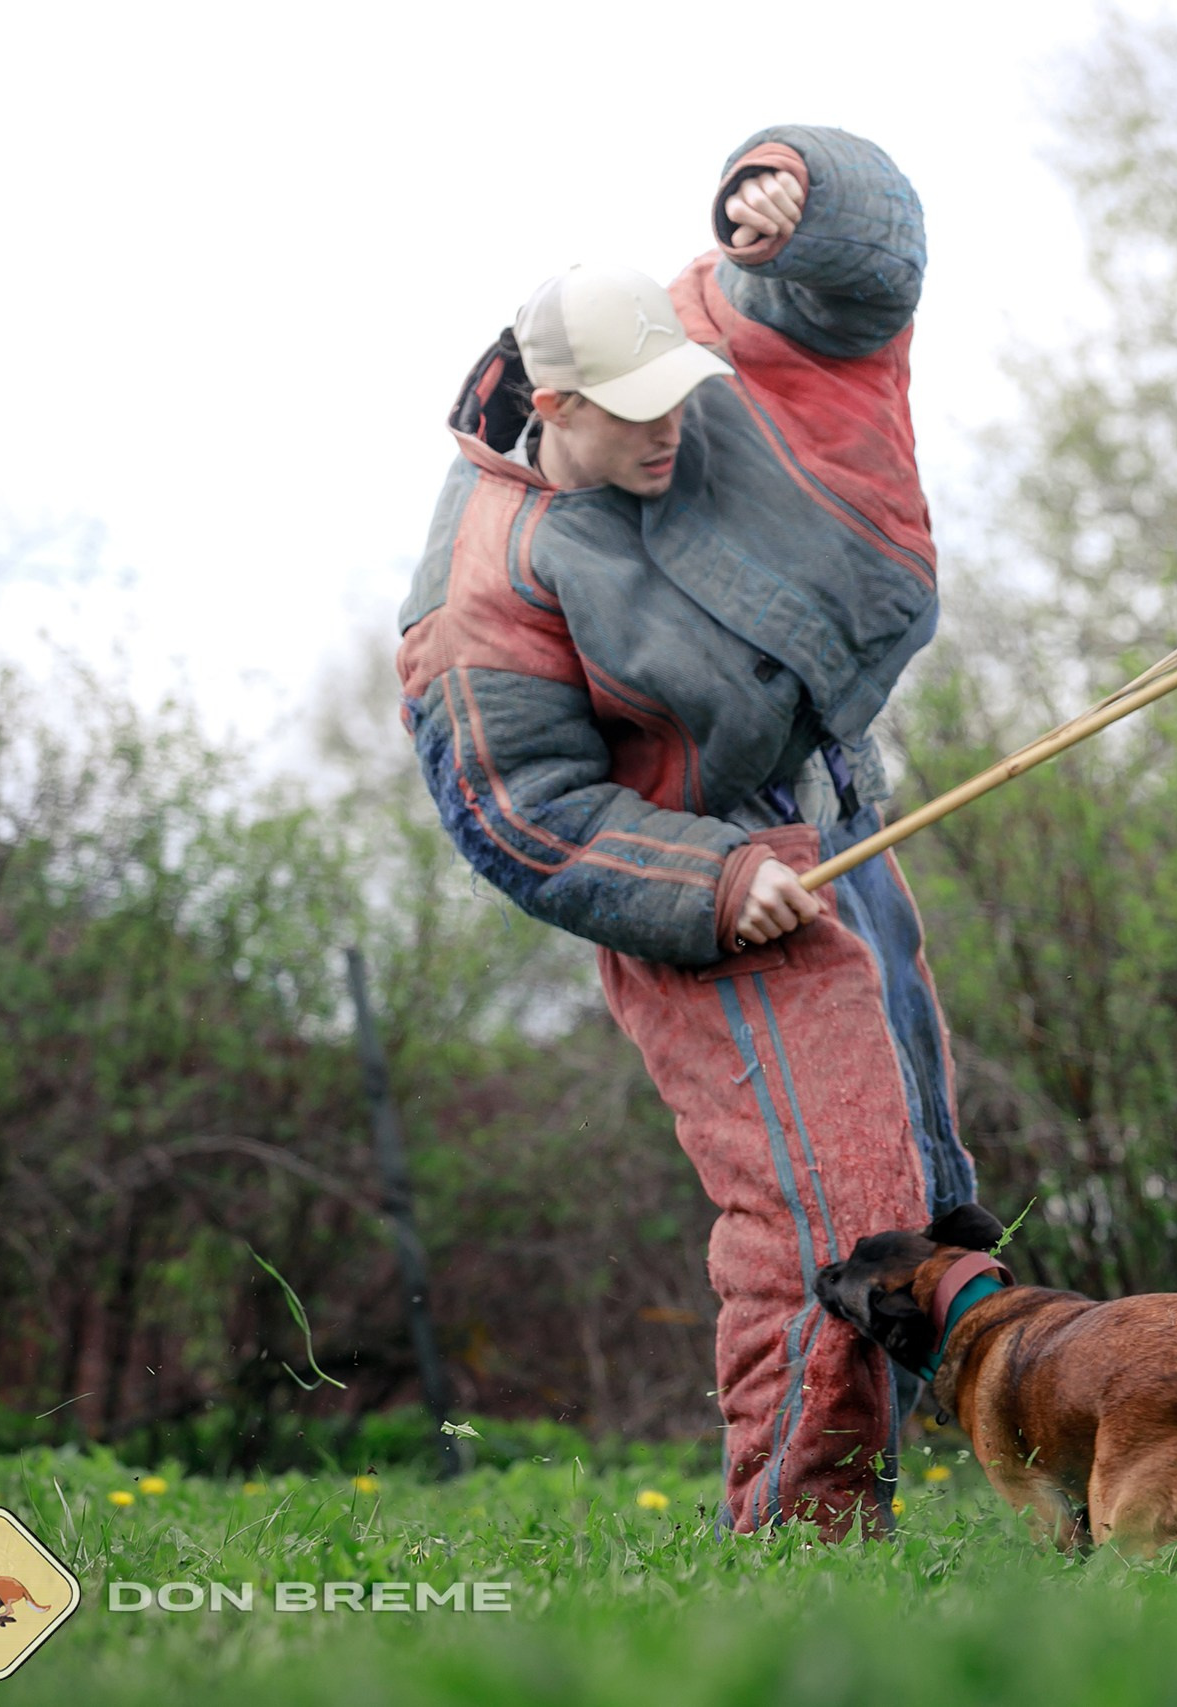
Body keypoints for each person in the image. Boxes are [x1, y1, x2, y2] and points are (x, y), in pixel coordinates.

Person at [395, 125, 974, 1536]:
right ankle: (803, 1543)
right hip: (699, 896)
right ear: (554, 402)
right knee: (828, 1215)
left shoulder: (697, 330)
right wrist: (715, 878)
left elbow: (862, 290)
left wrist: (801, 196)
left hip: (838, 831)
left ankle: (1000, 1489)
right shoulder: (479, 587)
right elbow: (522, 814)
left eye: (680, 396)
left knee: (926, 1193)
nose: (671, 429)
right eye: (636, 414)